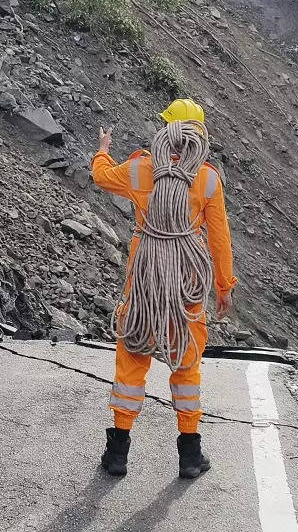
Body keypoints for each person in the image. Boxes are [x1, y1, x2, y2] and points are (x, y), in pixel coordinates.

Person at [90, 98, 237, 480]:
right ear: (200, 135)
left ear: (166, 129)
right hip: (185, 284)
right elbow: (219, 237)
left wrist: (103, 151)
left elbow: (102, 178)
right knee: (186, 362)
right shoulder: (206, 178)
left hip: (145, 281)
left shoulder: (141, 168)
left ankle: (118, 452)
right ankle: (190, 454)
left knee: (132, 356)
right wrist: (224, 286)